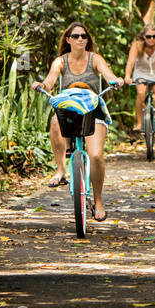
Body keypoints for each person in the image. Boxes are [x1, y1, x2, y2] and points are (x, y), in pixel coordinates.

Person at [32, 22, 121, 221]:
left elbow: (108, 75)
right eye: (76, 36)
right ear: (68, 39)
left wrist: (116, 80)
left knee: (96, 155)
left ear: (88, 40)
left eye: (84, 36)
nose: (80, 39)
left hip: (92, 110)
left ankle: (98, 200)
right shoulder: (60, 61)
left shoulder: (95, 59)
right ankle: (61, 170)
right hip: (69, 110)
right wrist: (41, 85)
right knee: (55, 120)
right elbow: (50, 81)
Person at [123, 26, 155, 145]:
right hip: (141, 72)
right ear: (143, 37)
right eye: (148, 36)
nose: (152, 39)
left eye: (154, 36)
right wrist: (127, 76)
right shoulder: (137, 45)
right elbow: (130, 61)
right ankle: (139, 124)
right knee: (141, 94)